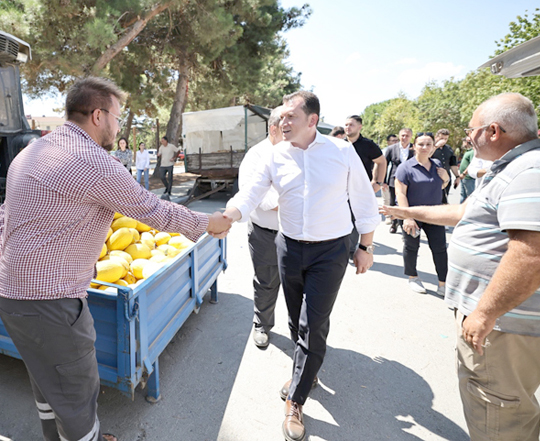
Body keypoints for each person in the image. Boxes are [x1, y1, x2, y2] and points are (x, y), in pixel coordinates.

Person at [0, 76, 231, 441]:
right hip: (51, 302)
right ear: (97, 115)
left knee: (47, 381)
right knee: (77, 395)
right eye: (118, 117)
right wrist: (209, 223)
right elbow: (151, 210)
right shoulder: (92, 160)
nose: (119, 125)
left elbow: (6, 215)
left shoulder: (30, 152)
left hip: (11, 296)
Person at [380, 92, 540, 441]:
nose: (468, 137)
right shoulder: (512, 169)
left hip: (506, 326)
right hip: (503, 322)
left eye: (472, 129)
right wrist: (407, 212)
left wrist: (483, 313)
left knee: (499, 416)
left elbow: (533, 254)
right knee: (499, 410)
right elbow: (464, 213)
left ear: (493, 131)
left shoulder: (534, 172)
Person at [224, 91, 380, 441]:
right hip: (289, 247)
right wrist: (228, 216)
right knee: (296, 320)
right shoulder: (275, 156)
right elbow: (249, 194)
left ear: (312, 120)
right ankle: (305, 373)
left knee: (314, 323)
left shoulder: (342, 153)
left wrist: (366, 246)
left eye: (291, 116)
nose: (283, 122)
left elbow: (364, 201)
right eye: (281, 117)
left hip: (331, 251)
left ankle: (296, 399)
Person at [238, 106, 283, 348]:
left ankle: (302, 336)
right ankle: (262, 325)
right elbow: (252, 194)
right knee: (266, 281)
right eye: (285, 128)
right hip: (265, 233)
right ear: (273, 128)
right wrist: (289, 204)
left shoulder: (297, 152)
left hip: (296, 233)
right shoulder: (256, 155)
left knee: (299, 284)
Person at [394, 131, 449, 295]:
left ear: (433, 147)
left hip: (434, 214)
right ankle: (413, 277)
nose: (425, 147)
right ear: (414, 146)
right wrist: (407, 217)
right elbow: (400, 194)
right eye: (421, 144)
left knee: (440, 249)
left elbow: (440, 187)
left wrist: (446, 178)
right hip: (414, 215)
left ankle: (443, 283)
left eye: (428, 144)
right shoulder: (405, 168)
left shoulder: (438, 164)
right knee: (411, 247)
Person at [344, 115, 386, 258]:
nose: (347, 127)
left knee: (357, 220)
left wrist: (377, 182)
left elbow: (381, 162)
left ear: (360, 126)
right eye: (346, 125)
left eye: (351, 125)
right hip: (341, 190)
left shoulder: (368, 145)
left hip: (360, 191)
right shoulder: (340, 144)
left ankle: (350, 251)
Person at [382, 128, 414, 234]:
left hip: (411, 180)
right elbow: (384, 164)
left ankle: (408, 222)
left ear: (411, 137)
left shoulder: (414, 148)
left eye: (407, 136)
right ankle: (394, 223)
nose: (404, 138)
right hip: (394, 179)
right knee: (393, 202)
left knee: (408, 201)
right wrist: (383, 181)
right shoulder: (392, 148)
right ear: (399, 136)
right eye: (402, 135)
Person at [431, 129, 460, 202]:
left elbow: (453, 164)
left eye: (446, 139)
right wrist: (436, 146)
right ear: (436, 137)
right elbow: (427, 156)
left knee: (444, 199)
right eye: (441, 138)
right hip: (433, 177)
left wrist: (457, 176)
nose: (443, 140)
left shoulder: (448, 148)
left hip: (446, 177)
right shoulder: (430, 147)